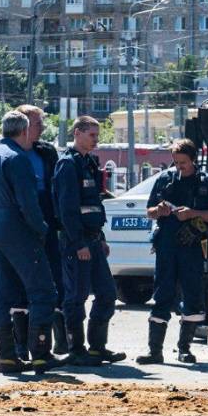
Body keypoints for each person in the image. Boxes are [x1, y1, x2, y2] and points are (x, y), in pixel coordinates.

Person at [0, 111, 63, 374]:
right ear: (23, 131)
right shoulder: (18, 159)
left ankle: (8, 358)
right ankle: (41, 354)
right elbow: (28, 203)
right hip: (19, 229)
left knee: (2, 295)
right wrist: (42, 229)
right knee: (44, 291)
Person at [136, 138, 208, 365]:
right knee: (162, 294)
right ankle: (155, 351)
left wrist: (193, 213)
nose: (179, 167)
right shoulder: (165, 179)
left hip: (192, 247)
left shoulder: (206, 182)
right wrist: (160, 210)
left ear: (193, 159)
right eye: (175, 162)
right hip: (166, 245)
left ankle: (184, 349)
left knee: (192, 295)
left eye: (183, 162)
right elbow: (149, 212)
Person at [53, 116, 125, 366]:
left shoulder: (89, 164)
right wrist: (79, 243)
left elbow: (94, 204)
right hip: (77, 243)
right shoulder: (68, 164)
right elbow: (67, 210)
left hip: (94, 240)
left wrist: (100, 237)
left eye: (97, 135)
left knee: (107, 293)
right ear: (78, 133)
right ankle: (76, 349)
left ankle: (97, 348)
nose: (96, 140)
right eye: (92, 135)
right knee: (76, 297)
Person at [6, 104, 68, 360]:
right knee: (21, 286)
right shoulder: (9, 153)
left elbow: (58, 187)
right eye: (37, 123)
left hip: (48, 223)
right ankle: (21, 346)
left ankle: (58, 342)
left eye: (42, 123)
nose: (41, 128)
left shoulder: (46, 152)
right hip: (21, 226)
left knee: (54, 281)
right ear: (22, 125)